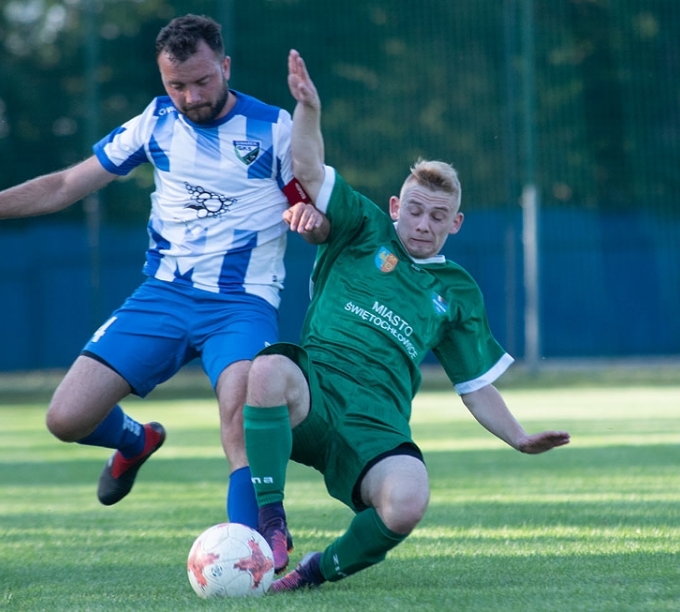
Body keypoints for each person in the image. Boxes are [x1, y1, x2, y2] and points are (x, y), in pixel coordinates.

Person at [0, 16, 326, 529]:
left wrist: (312, 220)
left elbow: (317, 211)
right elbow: (62, 186)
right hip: (164, 296)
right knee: (66, 419)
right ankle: (135, 440)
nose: (190, 97)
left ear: (225, 66)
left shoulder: (274, 127)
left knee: (238, 421)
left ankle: (250, 549)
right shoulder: (156, 122)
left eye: (202, 81)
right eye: (177, 85)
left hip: (241, 305)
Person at [242, 49, 571, 587]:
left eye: (438, 216)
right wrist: (309, 111)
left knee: (408, 502)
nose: (423, 223)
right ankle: (271, 520)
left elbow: (475, 385)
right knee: (266, 371)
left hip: (376, 426)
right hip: (316, 395)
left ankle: (310, 575)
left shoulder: (457, 291)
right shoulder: (362, 227)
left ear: (456, 223)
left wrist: (518, 437)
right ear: (396, 206)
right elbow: (306, 169)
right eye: (415, 210)